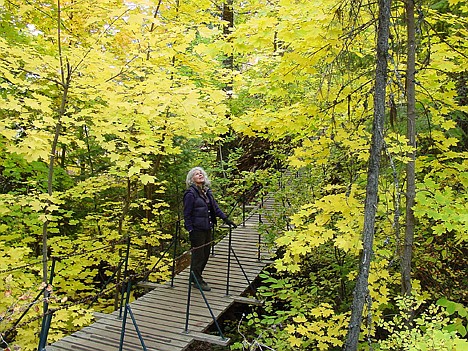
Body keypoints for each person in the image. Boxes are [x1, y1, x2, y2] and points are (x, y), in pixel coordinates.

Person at [183, 167, 236, 291]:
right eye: (196, 174)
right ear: (192, 179)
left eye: (201, 173)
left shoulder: (206, 191)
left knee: (206, 254)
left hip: (207, 227)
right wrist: (190, 229)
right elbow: (187, 213)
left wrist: (226, 219)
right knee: (199, 255)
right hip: (197, 229)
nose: (200, 174)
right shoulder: (190, 194)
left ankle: (194, 276)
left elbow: (215, 208)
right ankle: (197, 279)